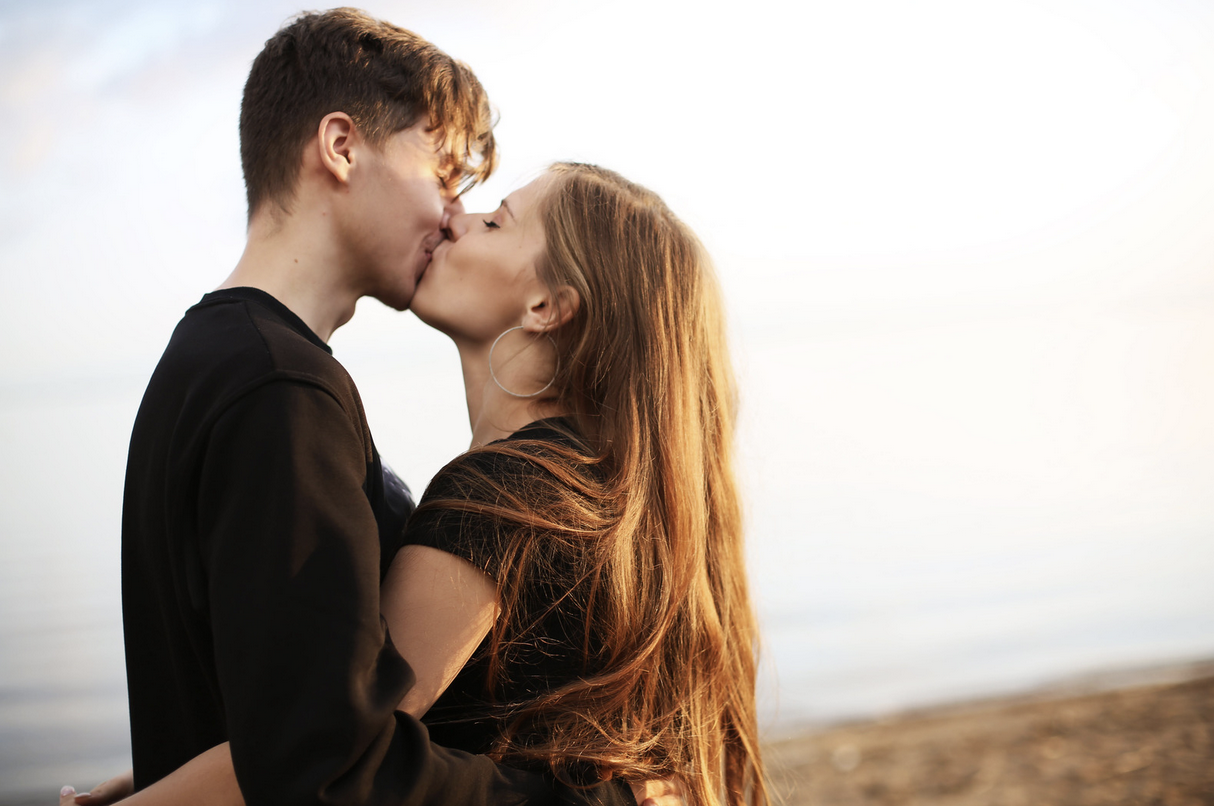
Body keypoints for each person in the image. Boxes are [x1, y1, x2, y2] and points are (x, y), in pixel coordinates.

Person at [62, 9, 661, 806]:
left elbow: (288, 707)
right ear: (342, 147)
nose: (450, 211)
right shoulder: (281, 389)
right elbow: (326, 762)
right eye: (442, 173)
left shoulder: (218, 358)